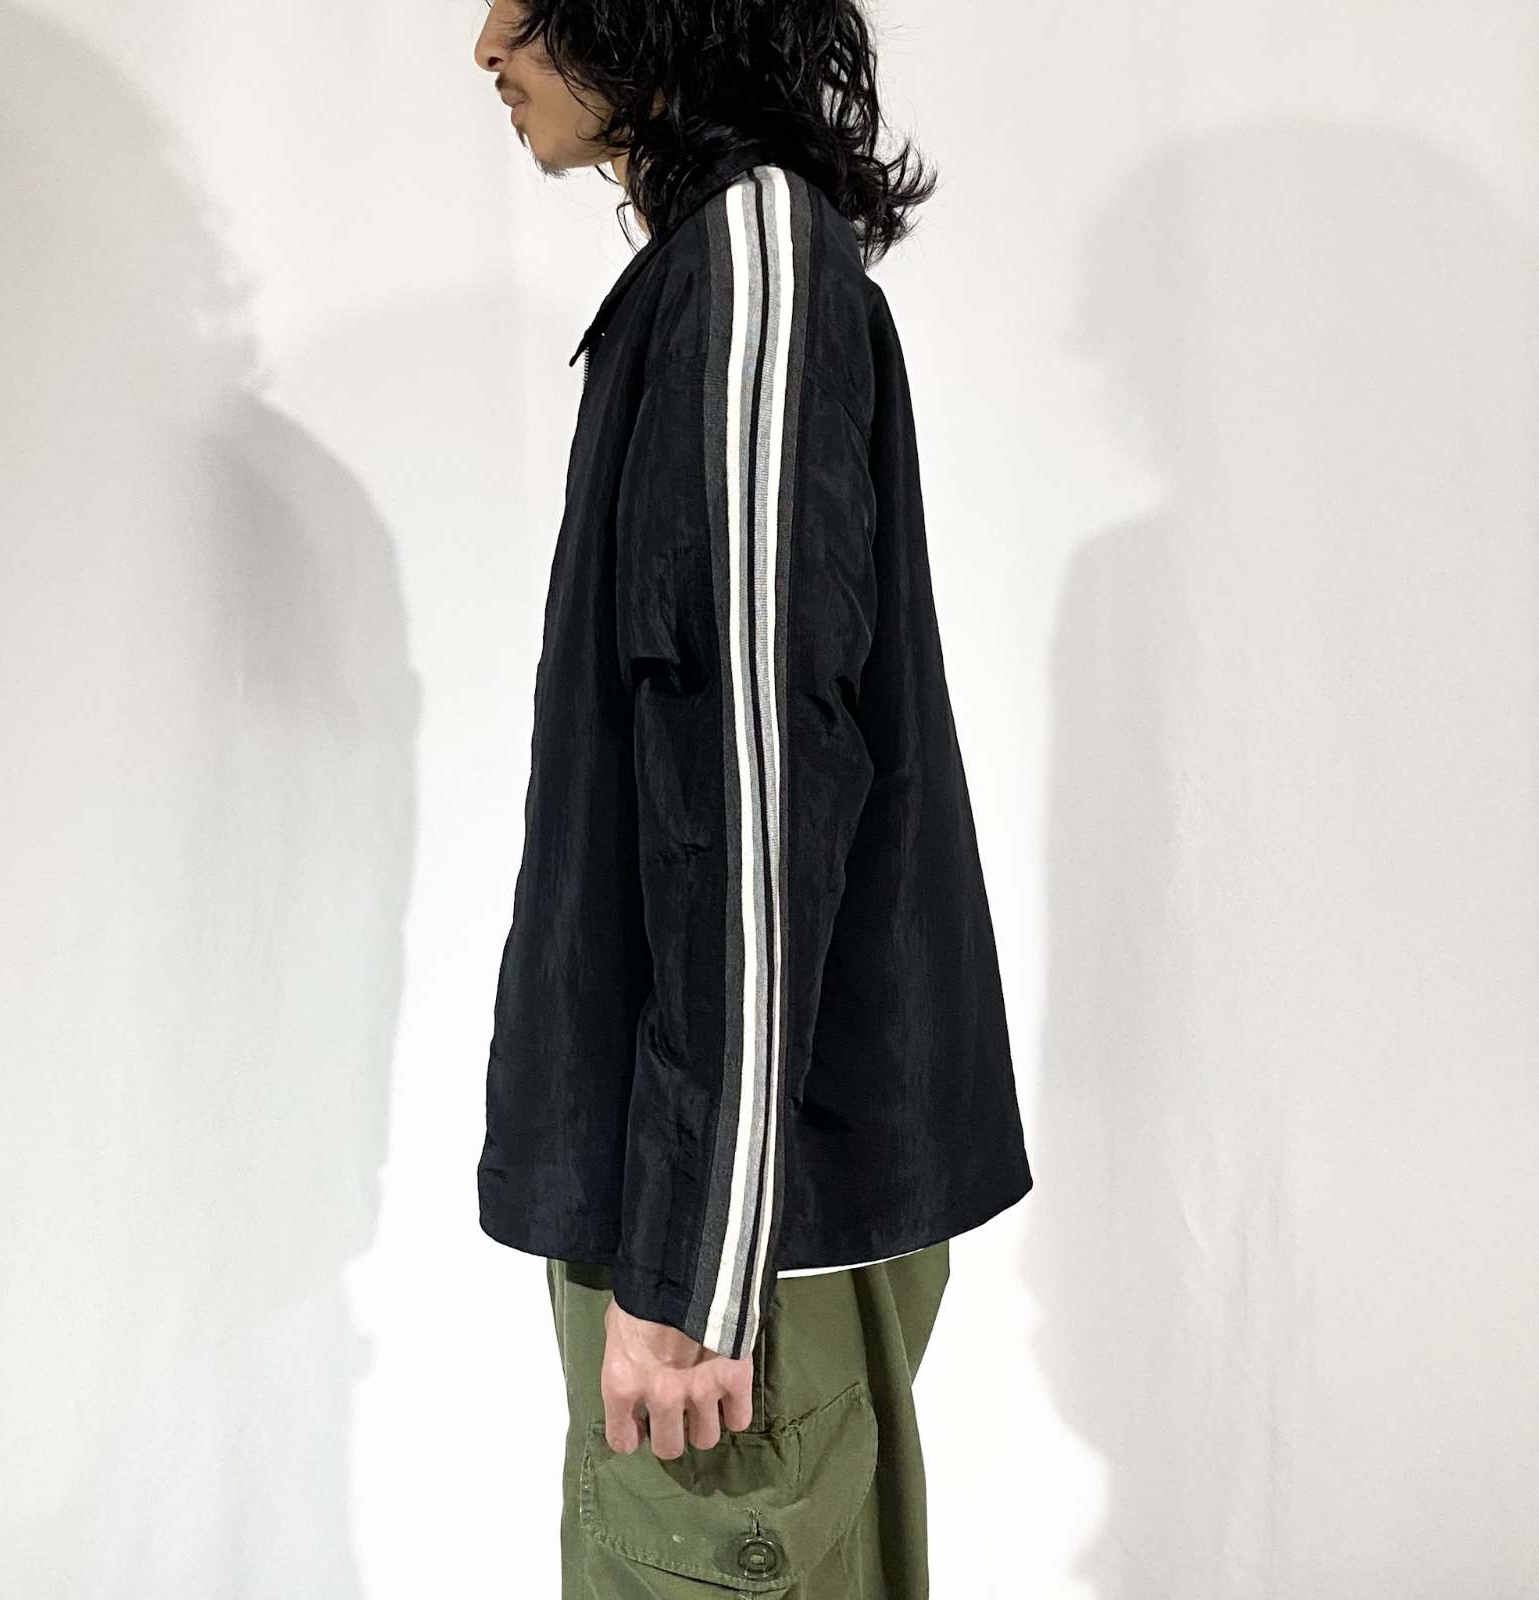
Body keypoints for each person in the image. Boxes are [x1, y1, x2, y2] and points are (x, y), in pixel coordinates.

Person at [472, 2, 1033, 1592]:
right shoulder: (721, 270)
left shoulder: (752, 267)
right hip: (719, 1208)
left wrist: (691, 1270)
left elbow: (755, 784)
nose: (487, 45)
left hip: (734, 1246)